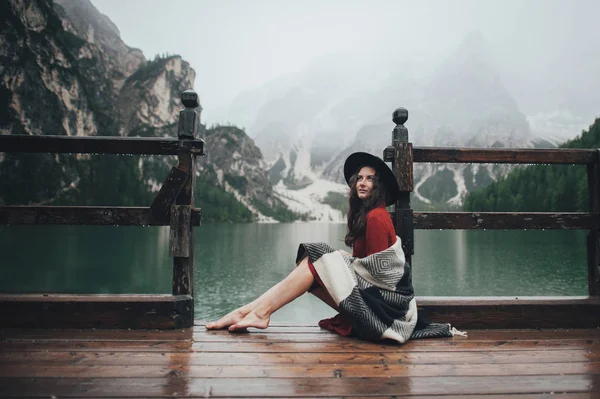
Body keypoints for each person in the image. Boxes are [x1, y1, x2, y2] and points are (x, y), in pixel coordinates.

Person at [206, 152, 459, 343]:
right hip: (377, 305)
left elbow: (382, 280)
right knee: (316, 261)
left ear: (378, 186)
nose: (362, 183)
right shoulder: (367, 215)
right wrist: (346, 258)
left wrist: (342, 262)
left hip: (385, 313)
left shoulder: (377, 217)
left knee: (316, 258)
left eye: (370, 179)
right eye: (359, 178)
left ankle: (253, 312)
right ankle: (249, 311)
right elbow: (369, 266)